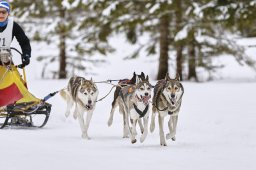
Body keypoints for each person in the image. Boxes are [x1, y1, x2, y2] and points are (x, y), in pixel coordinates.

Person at [0, 0, 31, 67]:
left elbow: (24, 42)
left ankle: (9, 73)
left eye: (3, 12)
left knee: (4, 54)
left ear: (8, 13)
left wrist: (26, 54)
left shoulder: (13, 26)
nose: (1, 15)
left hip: (5, 57)